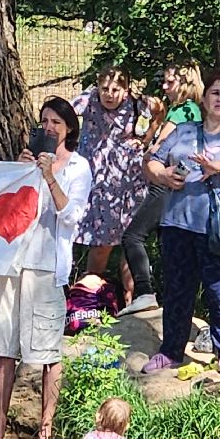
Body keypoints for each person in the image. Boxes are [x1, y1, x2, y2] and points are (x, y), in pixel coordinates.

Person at [0, 97, 92, 439]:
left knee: (47, 350)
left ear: (69, 128)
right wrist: (20, 172)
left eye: (56, 122)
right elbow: (2, 211)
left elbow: (71, 217)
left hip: (47, 266)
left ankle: (45, 433)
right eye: (44, 121)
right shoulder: (25, 162)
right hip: (12, 263)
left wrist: (48, 176)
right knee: (4, 347)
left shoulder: (78, 167)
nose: (48, 127)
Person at [140, 69, 220, 373]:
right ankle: (171, 351)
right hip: (178, 224)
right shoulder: (184, 131)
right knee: (177, 290)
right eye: (215, 93)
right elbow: (151, 160)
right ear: (205, 97)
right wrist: (162, 175)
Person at [120, 61, 202, 316]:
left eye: (170, 82)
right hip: (174, 185)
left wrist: (153, 159)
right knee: (166, 246)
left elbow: (159, 150)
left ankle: (144, 292)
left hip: (166, 185)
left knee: (132, 236)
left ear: (186, 83)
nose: (165, 87)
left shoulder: (183, 113)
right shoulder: (186, 111)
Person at [71, 66, 153, 286]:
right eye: (104, 88)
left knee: (132, 243)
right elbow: (64, 112)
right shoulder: (89, 101)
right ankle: (88, 299)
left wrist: (146, 141)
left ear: (125, 91)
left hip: (130, 183)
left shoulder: (137, 105)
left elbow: (160, 114)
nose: (109, 94)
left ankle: (134, 301)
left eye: (115, 89)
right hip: (100, 183)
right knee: (101, 244)